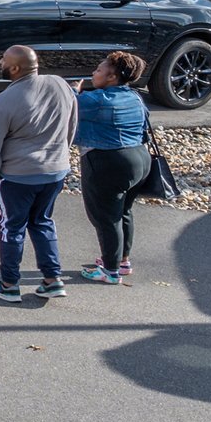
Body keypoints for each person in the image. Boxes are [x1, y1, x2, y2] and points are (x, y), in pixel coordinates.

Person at [0, 44, 77, 301]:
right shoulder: (60, 85)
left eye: (3, 59)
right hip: (56, 171)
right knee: (42, 221)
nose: (0, 61)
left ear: (14, 68)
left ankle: (9, 284)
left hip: (17, 176)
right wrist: (61, 155)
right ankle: (52, 279)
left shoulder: (3, 101)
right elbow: (71, 123)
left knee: (11, 227)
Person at [76, 50, 152, 285]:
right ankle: (122, 261)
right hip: (140, 159)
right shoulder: (135, 96)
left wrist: (73, 89)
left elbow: (67, 104)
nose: (93, 73)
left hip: (108, 161)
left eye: (99, 70)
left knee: (105, 217)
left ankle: (109, 271)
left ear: (112, 77)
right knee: (123, 212)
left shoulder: (98, 100)